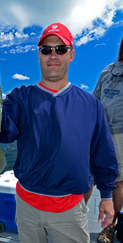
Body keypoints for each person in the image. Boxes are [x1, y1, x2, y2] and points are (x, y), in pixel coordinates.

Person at [0, 23, 118, 243]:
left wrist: (107, 197)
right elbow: (1, 133)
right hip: (27, 208)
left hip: (70, 210)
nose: (53, 54)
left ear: (71, 54)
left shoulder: (91, 104)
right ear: (39, 55)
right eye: (46, 49)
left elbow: (103, 154)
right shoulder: (20, 97)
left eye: (60, 49)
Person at [93, 37, 123, 243]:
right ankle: (71, 219)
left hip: (121, 135)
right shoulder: (108, 70)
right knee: (87, 175)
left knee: (117, 181)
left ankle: (110, 227)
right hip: (99, 131)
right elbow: (94, 99)